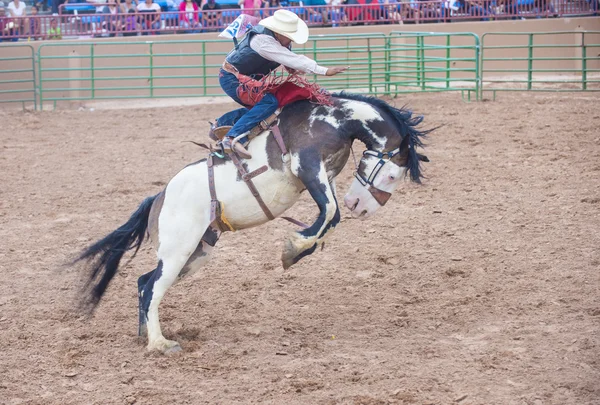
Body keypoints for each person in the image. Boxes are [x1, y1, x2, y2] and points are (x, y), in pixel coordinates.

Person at [216, 9, 348, 158]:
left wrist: (291, 67)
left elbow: (287, 59)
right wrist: (324, 70)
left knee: (267, 105)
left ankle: (222, 122)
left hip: (245, 79)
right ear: (279, 33)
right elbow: (291, 58)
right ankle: (231, 137)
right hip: (232, 79)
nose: (291, 41)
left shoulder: (274, 40)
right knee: (269, 103)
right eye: (289, 37)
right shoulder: (263, 41)